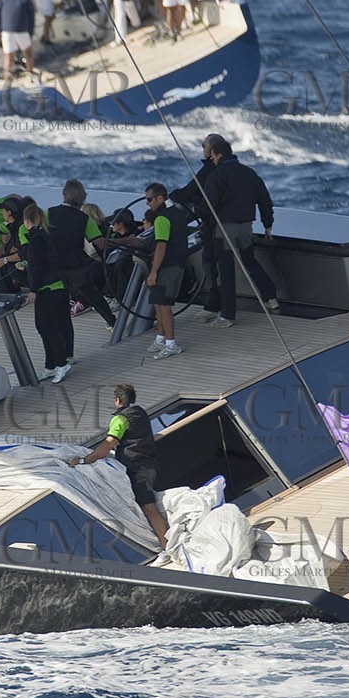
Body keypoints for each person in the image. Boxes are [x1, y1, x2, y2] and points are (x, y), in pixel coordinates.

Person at [68, 383, 170, 549]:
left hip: (137, 467)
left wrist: (84, 461)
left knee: (148, 507)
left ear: (117, 400)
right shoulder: (140, 412)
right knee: (151, 504)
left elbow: (109, 444)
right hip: (150, 462)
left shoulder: (120, 419)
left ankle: (166, 545)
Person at [203, 136, 279, 327]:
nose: (210, 158)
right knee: (249, 261)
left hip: (225, 229)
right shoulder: (249, 173)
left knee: (226, 270)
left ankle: (227, 315)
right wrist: (267, 224)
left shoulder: (216, 175)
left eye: (210, 153)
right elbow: (264, 200)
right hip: (246, 227)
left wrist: (202, 219)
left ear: (217, 154)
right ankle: (271, 297)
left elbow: (209, 205)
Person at [47, 180, 115, 329]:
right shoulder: (84, 219)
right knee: (94, 296)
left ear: (64, 194)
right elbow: (100, 244)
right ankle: (112, 322)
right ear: (83, 198)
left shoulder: (49, 213)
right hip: (76, 265)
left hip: (53, 265)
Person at [173, 134, 225, 321]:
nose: (202, 148)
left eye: (204, 145)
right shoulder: (232, 170)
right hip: (233, 224)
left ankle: (214, 306)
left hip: (213, 225)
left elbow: (190, 192)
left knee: (210, 263)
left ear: (211, 151)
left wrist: (172, 195)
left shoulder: (209, 170)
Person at [23, 204, 74, 384]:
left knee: (47, 327)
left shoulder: (37, 240)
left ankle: (61, 364)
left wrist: (33, 290)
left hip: (48, 289)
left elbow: (39, 267)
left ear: (27, 221)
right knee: (51, 327)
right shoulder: (46, 235)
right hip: (58, 287)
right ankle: (50, 365)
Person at [142, 183, 185, 359]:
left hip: (166, 267)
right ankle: (161, 338)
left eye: (150, 199)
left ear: (161, 198)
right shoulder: (178, 214)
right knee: (158, 303)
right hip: (178, 263)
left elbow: (161, 245)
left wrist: (153, 272)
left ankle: (171, 343)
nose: (148, 203)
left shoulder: (161, 219)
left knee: (164, 306)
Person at [0, 0, 36, 79]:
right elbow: (31, 19)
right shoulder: (26, 1)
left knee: (8, 55)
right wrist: (30, 33)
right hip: (22, 30)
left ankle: (7, 77)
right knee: (28, 53)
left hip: (6, 31)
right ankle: (31, 74)